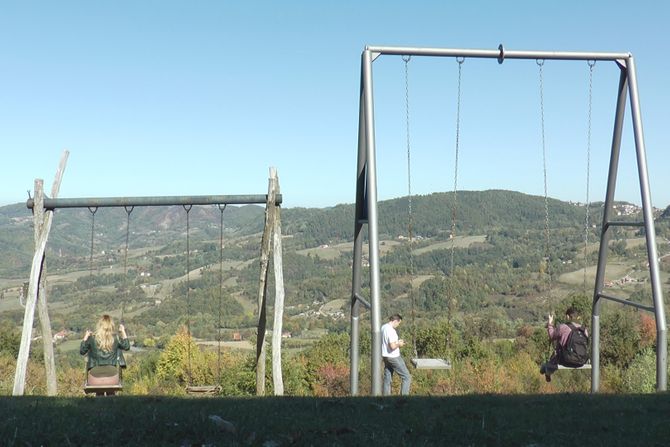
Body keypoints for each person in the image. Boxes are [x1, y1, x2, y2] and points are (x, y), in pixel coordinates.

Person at [80, 314, 130, 390]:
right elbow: (127, 346)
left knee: (99, 395)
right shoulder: (115, 338)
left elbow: (82, 351)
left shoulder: (92, 338)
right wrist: (123, 331)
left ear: (99, 325)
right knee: (111, 394)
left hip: (95, 378)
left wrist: (86, 336)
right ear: (111, 325)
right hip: (112, 377)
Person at [540, 306, 587, 382]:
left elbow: (552, 336)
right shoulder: (584, 329)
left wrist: (550, 323)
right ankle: (545, 369)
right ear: (578, 317)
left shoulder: (563, 327)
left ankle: (546, 370)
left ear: (568, 316)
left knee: (554, 357)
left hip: (566, 360)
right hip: (581, 361)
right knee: (557, 355)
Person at [381, 313, 412, 395]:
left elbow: (387, 342)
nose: (398, 325)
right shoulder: (391, 331)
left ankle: (385, 397)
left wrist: (397, 342)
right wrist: (399, 344)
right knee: (407, 377)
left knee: (387, 377)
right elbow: (392, 346)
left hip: (385, 356)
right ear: (395, 321)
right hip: (393, 357)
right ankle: (403, 398)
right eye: (398, 323)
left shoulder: (383, 327)